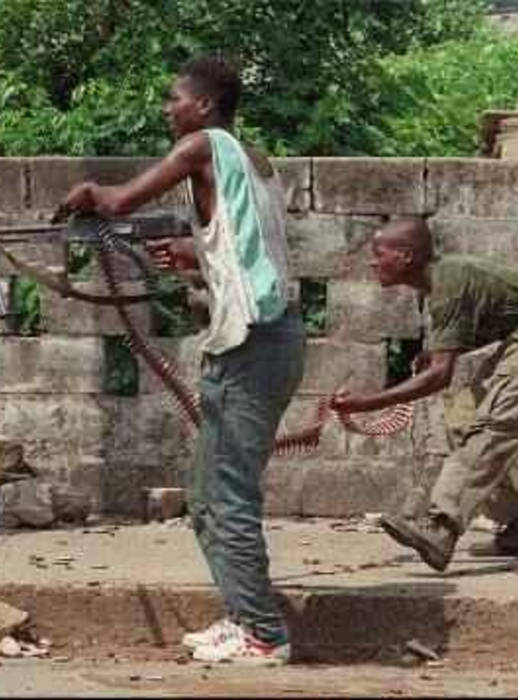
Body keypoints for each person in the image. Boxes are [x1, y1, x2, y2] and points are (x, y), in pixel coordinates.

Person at [60, 55, 305, 664]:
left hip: (252, 343)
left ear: (204, 105)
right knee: (205, 494)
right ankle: (243, 617)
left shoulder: (201, 145)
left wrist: (91, 193)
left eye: (175, 99)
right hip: (267, 339)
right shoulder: (253, 159)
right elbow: (248, 245)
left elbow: (119, 201)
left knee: (228, 496)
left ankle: (264, 634)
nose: (168, 109)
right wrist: (196, 254)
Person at [330, 218, 518, 572]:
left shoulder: (447, 284)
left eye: (379, 253)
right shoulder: (441, 283)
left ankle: (441, 527)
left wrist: (366, 404)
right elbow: (460, 343)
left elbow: (439, 377)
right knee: (463, 421)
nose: (373, 262)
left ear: (405, 256)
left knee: (491, 430)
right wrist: (436, 354)